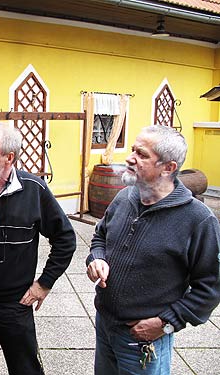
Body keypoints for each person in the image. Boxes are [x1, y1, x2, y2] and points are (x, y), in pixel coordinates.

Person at [86, 125, 220, 374]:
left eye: (142, 154)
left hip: (144, 339)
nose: (130, 157)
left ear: (168, 168)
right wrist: (97, 258)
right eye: (133, 149)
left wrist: (166, 323)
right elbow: (100, 237)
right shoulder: (124, 198)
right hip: (105, 325)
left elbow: (211, 287)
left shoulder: (198, 220)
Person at [0, 123, 77, 375]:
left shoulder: (34, 190)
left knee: (26, 370)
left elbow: (65, 238)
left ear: (9, 157)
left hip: (14, 304)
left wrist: (44, 283)